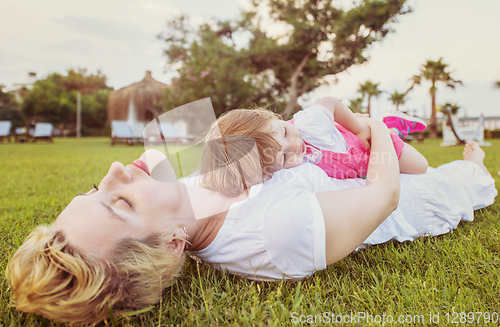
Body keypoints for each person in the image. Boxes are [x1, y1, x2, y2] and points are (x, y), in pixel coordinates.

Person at [6, 115, 496, 325]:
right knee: (467, 178)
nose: (113, 172)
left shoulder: (194, 190)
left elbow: (262, 151)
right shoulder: (272, 234)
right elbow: (385, 194)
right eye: (121, 203)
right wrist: (374, 127)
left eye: (95, 191)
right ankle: (472, 164)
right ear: (173, 244)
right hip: (420, 196)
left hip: (349, 162)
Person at [199, 98, 428, 197]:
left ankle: (391, 127)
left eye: (286, 132)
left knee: (420, 167)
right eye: (285, 156)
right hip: (357, 164)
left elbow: (331, 102)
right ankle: (392, 128)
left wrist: (358, 128)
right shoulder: (277, 170)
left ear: (272, 117)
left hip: (364, 143)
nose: (295, 145)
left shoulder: (307, 124)